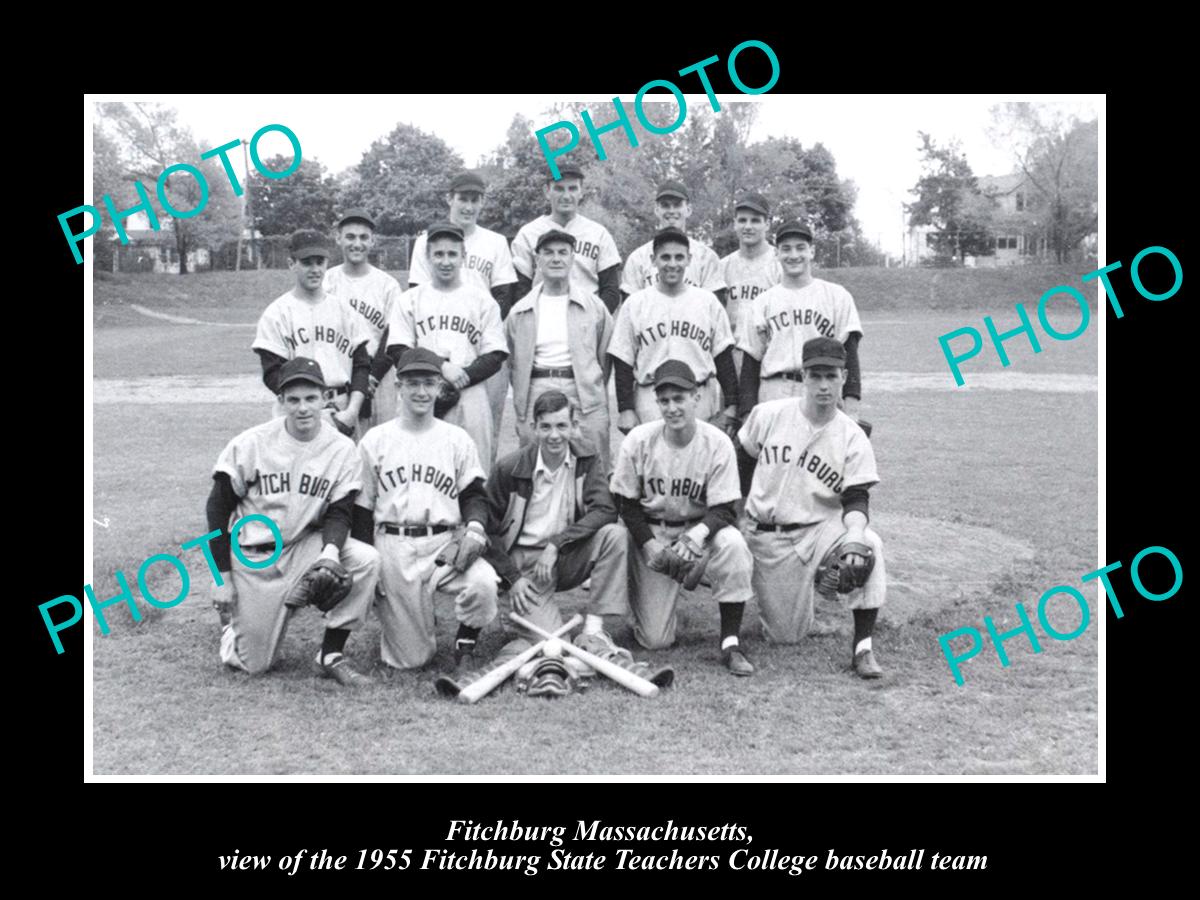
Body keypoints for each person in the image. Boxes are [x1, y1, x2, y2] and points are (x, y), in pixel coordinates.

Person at [436, 390, 670, 696]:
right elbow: (487, 532)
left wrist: (556, 544)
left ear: (574, 426)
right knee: (548, 644)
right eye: (546, 426)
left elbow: (605, 509)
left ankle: (594, 633)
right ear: (534, 428)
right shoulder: (510, 467)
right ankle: (505, 656)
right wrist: (513, 579)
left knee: (614, 534)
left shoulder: (586, 457)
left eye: (562, 426)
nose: (554, 435)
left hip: (562, 555)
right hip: (523, 568)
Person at [206, 357, 380, 685]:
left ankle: (330, 653)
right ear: (281, 401)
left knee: (365, 559)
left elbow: (340, 511)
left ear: (326, 398)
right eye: (294, 399)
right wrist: (222, 579)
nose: (303, 408)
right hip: (254, 556)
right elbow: (217, 511)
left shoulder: (341, 448)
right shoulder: (250, 444)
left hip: (304, 547)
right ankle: (231, 628)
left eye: (311, 398)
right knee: (253, 665)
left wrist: (330, 551)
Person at [737, 337, 887, 678]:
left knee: (869, 544)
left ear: (844, 377)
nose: (823, 385)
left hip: (821, 528)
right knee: (785, 637)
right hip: (769, 535)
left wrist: (853, 534)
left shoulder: (852, 435)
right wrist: (736, 516)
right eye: (815, 375)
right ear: (803, 376)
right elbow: (741, 464)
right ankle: (808, 587)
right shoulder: (769, 415)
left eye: (831, 376)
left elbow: (857, 496)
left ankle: (863, 649)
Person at [353, 348, 499, 674]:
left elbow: (474, 494)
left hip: (443, 544)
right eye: (413, 383)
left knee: (484, 582)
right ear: (398, 386)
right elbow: (361, 510)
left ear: (439, 388)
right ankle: (413, 621)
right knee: (411, 661)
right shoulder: (375, 440)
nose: (422, 392)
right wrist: (370, 564)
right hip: (393, 546)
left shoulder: (456, 439)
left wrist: (475, 526)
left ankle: (465, 645)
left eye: (429, 383)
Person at [609, 360, 756, 676]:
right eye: (664, 400)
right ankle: (663, 596)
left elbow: (725, 508)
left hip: (698, 531)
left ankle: (730, 641)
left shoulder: (716, 442)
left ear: (697, 397)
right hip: (653, 530)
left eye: (679, 398)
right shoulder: (638, 440)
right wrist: (648, 545)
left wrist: (697, 535)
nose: (672, 407)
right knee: (655, 640)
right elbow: (626, 503)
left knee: (733, 543)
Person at [407, 172, 518, 444]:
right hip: (437, 343)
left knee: (484, 429)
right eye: (462, 199)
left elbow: (504, 294)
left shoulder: (495, 241)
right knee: (429, 428)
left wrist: (477, 335)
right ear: (449, 199)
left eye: (474, 199)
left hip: (482, 346)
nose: (468, 206)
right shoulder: (426, 241)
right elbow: (417, 294)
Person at [385, 222, 508, 468]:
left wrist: (458, 377)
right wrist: (441, 367)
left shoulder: (483, 301)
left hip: (470, 392)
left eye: (452, 254)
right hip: (420, 390)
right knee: (416, 468)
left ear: (464, 256)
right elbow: (398, 351)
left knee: (472, 471)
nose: (445, 261)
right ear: (427, 257)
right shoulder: (408, 300)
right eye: (438, 254)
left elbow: (495, 355)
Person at [608, 228, 739, 436]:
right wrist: (625, 408)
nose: (672, 264)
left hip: (698, 395)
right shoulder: (636, 303)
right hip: (650, 398)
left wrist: (732, 404)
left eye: (679, 257)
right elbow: (623, 361)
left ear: (689, 259)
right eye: (665, 257)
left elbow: (723, 358)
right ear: (653, 260)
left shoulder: (707, 302)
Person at [506, 229, 614, 470]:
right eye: (549, 253)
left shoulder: (593, 307)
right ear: (537, 260)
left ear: (572, 259)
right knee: (534, 465)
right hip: (537, 387)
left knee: (594, 463)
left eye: (563, 253)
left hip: (583, 390)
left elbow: (605, 356)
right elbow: (513, 362)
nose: (556, 259)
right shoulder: (520, 311)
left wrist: (591, 384)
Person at [737, 220, 864, 422]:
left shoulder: (837, 296)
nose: (793, 255)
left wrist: (852, 408)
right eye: (786, 249)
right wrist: (747, 415)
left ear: (812, 251)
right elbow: (750, 366)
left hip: (821, 388)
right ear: (777, 254)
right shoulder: (762, 302)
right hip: (774, 390)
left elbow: (850, 355)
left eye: (800, 248)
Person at [253, 230, 372, 436]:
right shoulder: (277, 313)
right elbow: (272, 372)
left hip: (341, 409)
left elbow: (361, 365)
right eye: (307, 262)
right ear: (292, 264)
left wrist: (352, 411)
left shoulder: (344, 310)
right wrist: (308, 404)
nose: (315, 269)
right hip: (295, 411)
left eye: (320, 262)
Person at [323, 209, 404, 430]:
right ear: (338, 238)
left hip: (380, 376)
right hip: (341, 374)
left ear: (372, 241)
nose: (356, 244)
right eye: (350, 237)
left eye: (363, 237)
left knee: (381, 445)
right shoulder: (327, 281)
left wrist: (371, 377)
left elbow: (393, 337)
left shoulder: (387, 285)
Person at [510, 162, 622, 313]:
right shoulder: (528, 233)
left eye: (572, 188)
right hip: (542, 317)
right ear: (547, 191)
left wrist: (593, 321)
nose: (566, 196)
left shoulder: (598, 233)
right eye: (559, 189)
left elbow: (611, 290)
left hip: (586, 317)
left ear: (581, 191)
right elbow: (520, 290)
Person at [620, 180, 726, 305]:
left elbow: (715, 309)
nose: (671, 210)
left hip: (692, 323)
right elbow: (630, 309)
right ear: (656, 210)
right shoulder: (638, 258)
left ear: (688, 209)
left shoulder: (706, 257)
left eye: (677, 205)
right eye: (665, 205)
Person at [719, 192, 782, 350]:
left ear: (767, 224)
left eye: (755, 221)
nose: (748, 227)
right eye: (742, 220)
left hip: (768, 354)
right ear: (734, 224)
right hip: (731, 355)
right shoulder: (722, 266)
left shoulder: (779, 264)